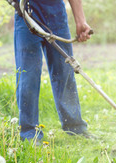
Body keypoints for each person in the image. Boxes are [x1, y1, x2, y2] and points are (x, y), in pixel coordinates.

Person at [14, 0, 92, 142]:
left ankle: (76, 128)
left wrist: (81, 21)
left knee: (64, 72)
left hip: (56, 13)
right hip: (26, 12)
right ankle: (29, 133)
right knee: (28, 75)